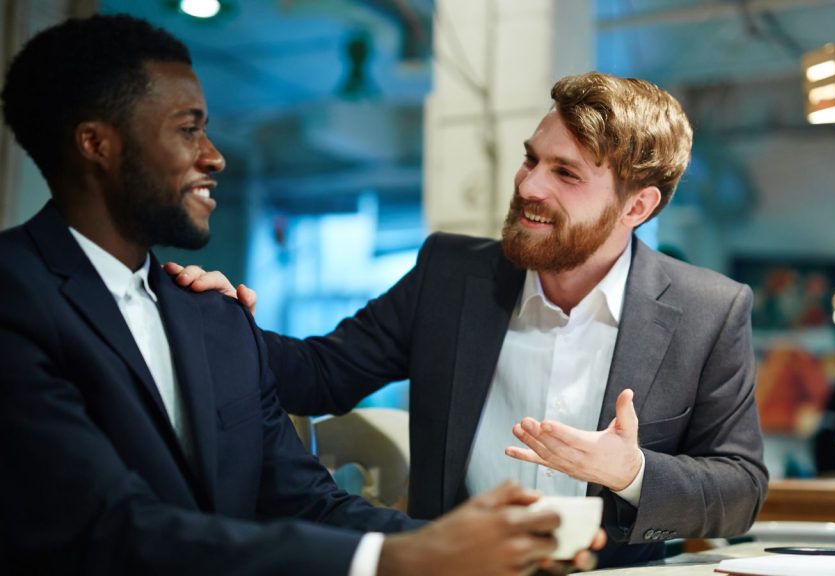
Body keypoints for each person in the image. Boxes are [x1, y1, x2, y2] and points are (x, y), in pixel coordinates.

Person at [0, 14, 601, 575]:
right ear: (96, 144)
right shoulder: (15, 294)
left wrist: (490, 546)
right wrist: (406, 558)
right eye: (188, 129)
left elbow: (306, 500)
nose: (215, 156)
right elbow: (108, 528)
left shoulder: (213, 317)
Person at [172, 71, 768, 566]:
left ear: (637, 205)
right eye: (532, 159)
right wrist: (226, 326)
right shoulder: (451, 275)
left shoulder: (709, 311)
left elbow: (741, 488)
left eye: (565, 174)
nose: (529, 185)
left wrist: (632, 471)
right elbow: (321, 373)